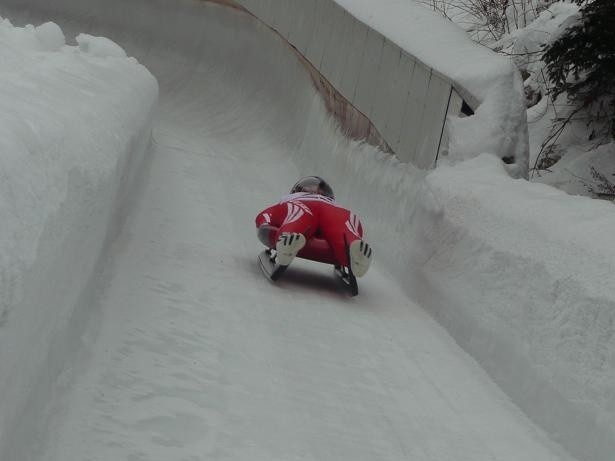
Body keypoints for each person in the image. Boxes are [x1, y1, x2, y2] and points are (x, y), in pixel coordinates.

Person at [255, 176, 372, 277]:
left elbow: (264, 216)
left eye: (320, 191)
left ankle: (289, 238)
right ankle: (351, 249)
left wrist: (264, 225)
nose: (315, 192)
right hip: (313, 207)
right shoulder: (294, 199)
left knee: (299, 215)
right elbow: (354, 226)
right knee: (342, 224)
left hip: (319, 208)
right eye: (310, 189)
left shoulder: (291, 202)